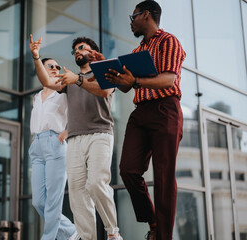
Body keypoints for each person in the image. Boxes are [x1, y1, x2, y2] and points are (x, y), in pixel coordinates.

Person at [104, 1, 186, 239]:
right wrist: (112, 71)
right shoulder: (137, 52)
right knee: (128, 169)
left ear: (146, 15)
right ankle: (153, 222)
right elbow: (127, 87)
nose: (130, 22)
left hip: (165, 110)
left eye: (134, 16)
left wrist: (136, 82)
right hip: (140, 113)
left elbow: (169, 80)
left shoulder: (168, 41)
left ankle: (162, 236)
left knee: (163, 176)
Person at [29, 34, 123, 240]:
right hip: (75, 140)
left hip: (100, 134)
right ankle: (87, 237)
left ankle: (112, 232)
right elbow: (46, 81)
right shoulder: (69, 79)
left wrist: (78, 80)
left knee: (97, 183)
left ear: (92, 50)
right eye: (75, 50)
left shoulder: (104, 70)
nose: (77, 52)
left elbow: (105, 91)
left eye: (81, 47)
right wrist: (36, 57)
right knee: (77, 193)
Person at [28, 54, 79, 240]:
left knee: (53, 202)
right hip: (37, 146)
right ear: (41, 69)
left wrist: (65, 133)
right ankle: (71, 231)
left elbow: (78, 112)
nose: (55, 69)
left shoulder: (62, 92)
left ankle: (48, 237)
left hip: (54, 144)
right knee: (38, 201)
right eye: (51, 66)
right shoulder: (37, 97)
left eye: (57, 67)